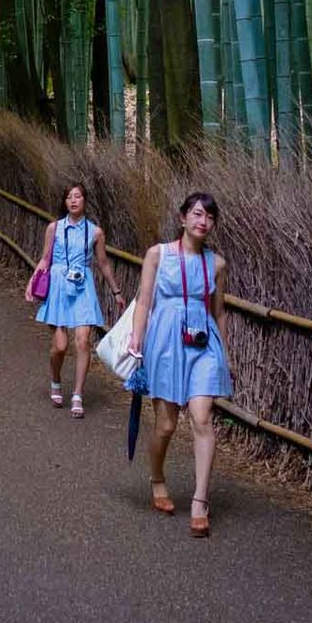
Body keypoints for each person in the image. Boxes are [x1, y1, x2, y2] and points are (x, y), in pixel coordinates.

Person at [127, 192, 231, 538]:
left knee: (202, 417)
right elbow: (144, 300)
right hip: (166, 342)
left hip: (203, 344)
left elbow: (218, 313)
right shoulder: (157, 255)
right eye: (198, 214)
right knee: (166, 426)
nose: (203, 222)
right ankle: (157, 477)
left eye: (210, 217)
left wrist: (224, 355)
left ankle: (200, 500)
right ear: (183, 217)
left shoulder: (216, 263)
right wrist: (135, 340)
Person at [23, 183, 125, 418]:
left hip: (83, 287)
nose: (73, 200)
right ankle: (56, 379)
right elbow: (45, 259)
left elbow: (103, 263)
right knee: (60, 346)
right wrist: (33, 281)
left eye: (77, 196)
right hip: (58, 286)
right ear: (64, 202)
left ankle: (78, 393)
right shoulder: (54, 228)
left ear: (85, 201)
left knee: (82, 341)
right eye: (69, 197)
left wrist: (116, 291)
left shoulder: (95, 232)